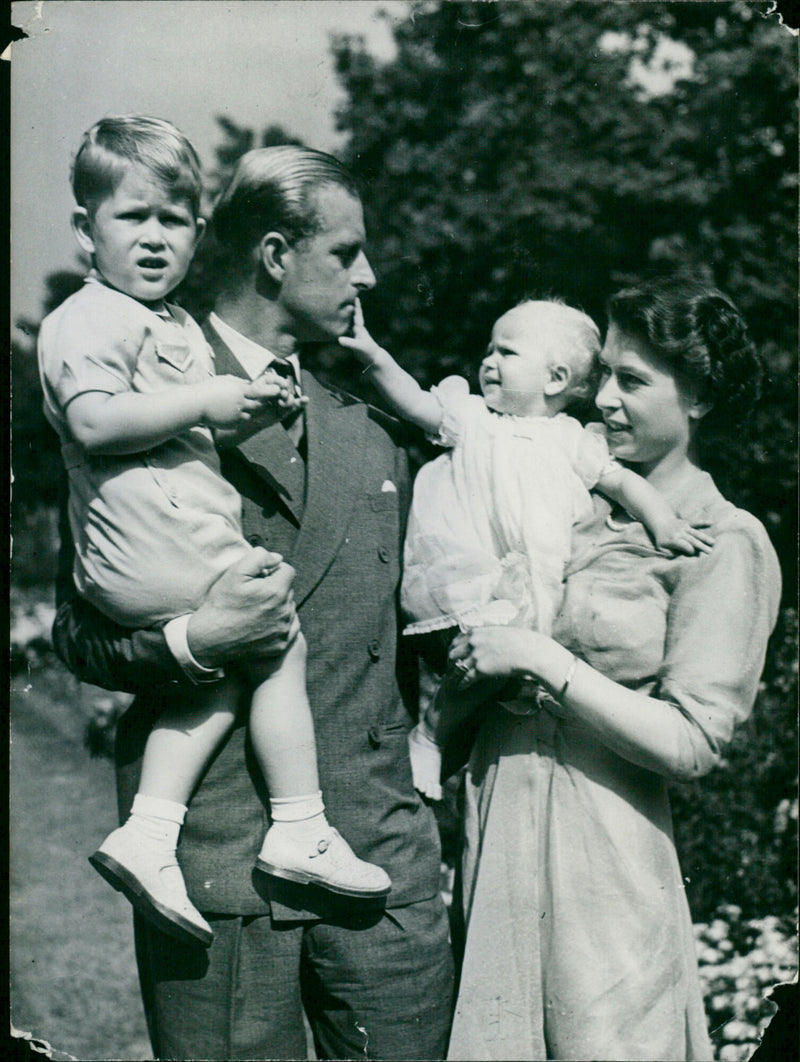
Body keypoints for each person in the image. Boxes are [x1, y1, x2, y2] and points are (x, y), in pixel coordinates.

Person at [51, 144, 454, 1060]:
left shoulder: (377, 414)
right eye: (347, 253)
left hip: (381, 869)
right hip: (215, 870)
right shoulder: (136, 386)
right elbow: (77, 629)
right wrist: (195, 642)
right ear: (276, 256)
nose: (371, 274)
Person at [442, 277, 781, 1061]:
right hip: (496, 845)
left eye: (634, 381)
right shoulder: (563, 509)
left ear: (697, 397)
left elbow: (693, 742)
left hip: (604, 870)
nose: (606, 403)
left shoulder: (722, 540)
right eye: (605, 379)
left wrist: (538, 657)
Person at [340, 297, 713, 799]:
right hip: (467, 576)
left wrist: (663, 523)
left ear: (555, 378)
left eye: (507, 352)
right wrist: (372, 354)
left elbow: (624, 486)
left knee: (499, 667)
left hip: (529, 583)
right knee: (479, 659)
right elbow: (413, 401)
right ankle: (429, 733)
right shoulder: (471, 417)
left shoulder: (575, 441)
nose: (488, 361)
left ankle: (441, 742)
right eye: (489, 350)